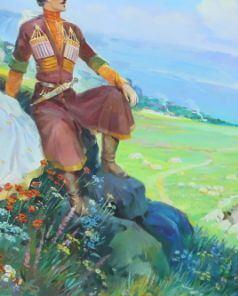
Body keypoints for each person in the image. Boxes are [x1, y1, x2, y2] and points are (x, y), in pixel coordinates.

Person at [5, 0, 139, 212]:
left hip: (71, 98)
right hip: (46, 102)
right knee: (60, 127)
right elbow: (18, 67)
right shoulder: (29, 28)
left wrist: (121, 83)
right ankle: (74, 194)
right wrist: (10, 101)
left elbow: (93, 59)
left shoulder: (73, 30)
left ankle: (108, 161)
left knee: (113, 95)